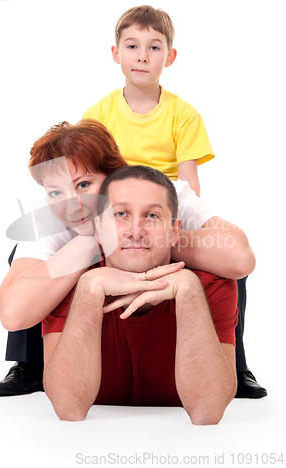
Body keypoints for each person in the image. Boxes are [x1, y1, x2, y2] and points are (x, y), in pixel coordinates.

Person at [0, 119, 256, 397]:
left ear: (115, 173)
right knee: (28, 265)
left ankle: (234, 365)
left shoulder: (164, 192)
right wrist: (94, 241)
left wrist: (148, 239)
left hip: (164, 279)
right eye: (56, 192)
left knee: (220, 267)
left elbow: (239, 258)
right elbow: (12, 313)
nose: (72, 206)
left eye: (83, 185)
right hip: (87, 299)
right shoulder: (46, 213)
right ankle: (30, 365)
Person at [82, 5, 266, 398]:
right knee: (28, 256)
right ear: (116, 53)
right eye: (132, 46)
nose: (143, 56)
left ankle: (237, 363)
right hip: (115, 207)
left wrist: (169, 226)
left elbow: (188, 181)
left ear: (170, 56)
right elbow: (91, 176)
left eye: (154, 47)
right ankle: (27, 364)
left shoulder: (184, 114)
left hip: (166, 205)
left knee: (230, 265)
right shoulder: (98, 113)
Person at [43, 165, 238, 424]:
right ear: (99, 230)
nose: (136, 231)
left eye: (152, 216)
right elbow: (69, 408)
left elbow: (208, 412)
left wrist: (189, 290)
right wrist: (90, 286)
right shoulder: (68, 283)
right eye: (121, 214)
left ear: (174, 231)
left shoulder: (211, 284)